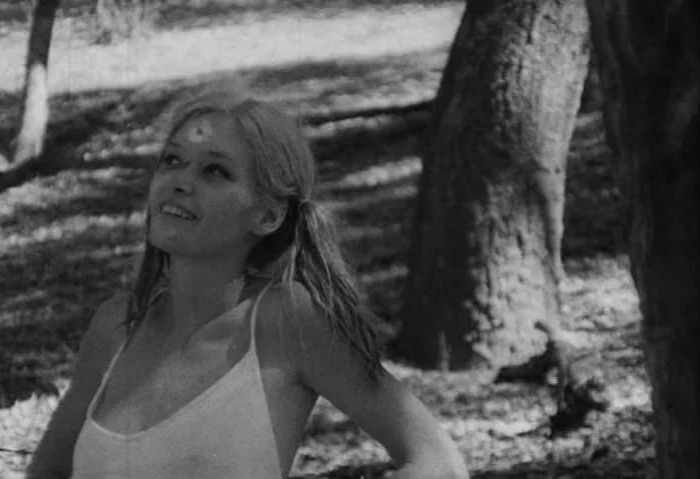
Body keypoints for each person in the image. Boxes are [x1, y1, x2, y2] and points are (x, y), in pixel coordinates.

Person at [25, 86, 469, 479]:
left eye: (215, 171)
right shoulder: (115, 326)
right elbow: (48, 471)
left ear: (267, 215)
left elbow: (438, 463)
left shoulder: (287, 321)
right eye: (172, 160)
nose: (180, 182)